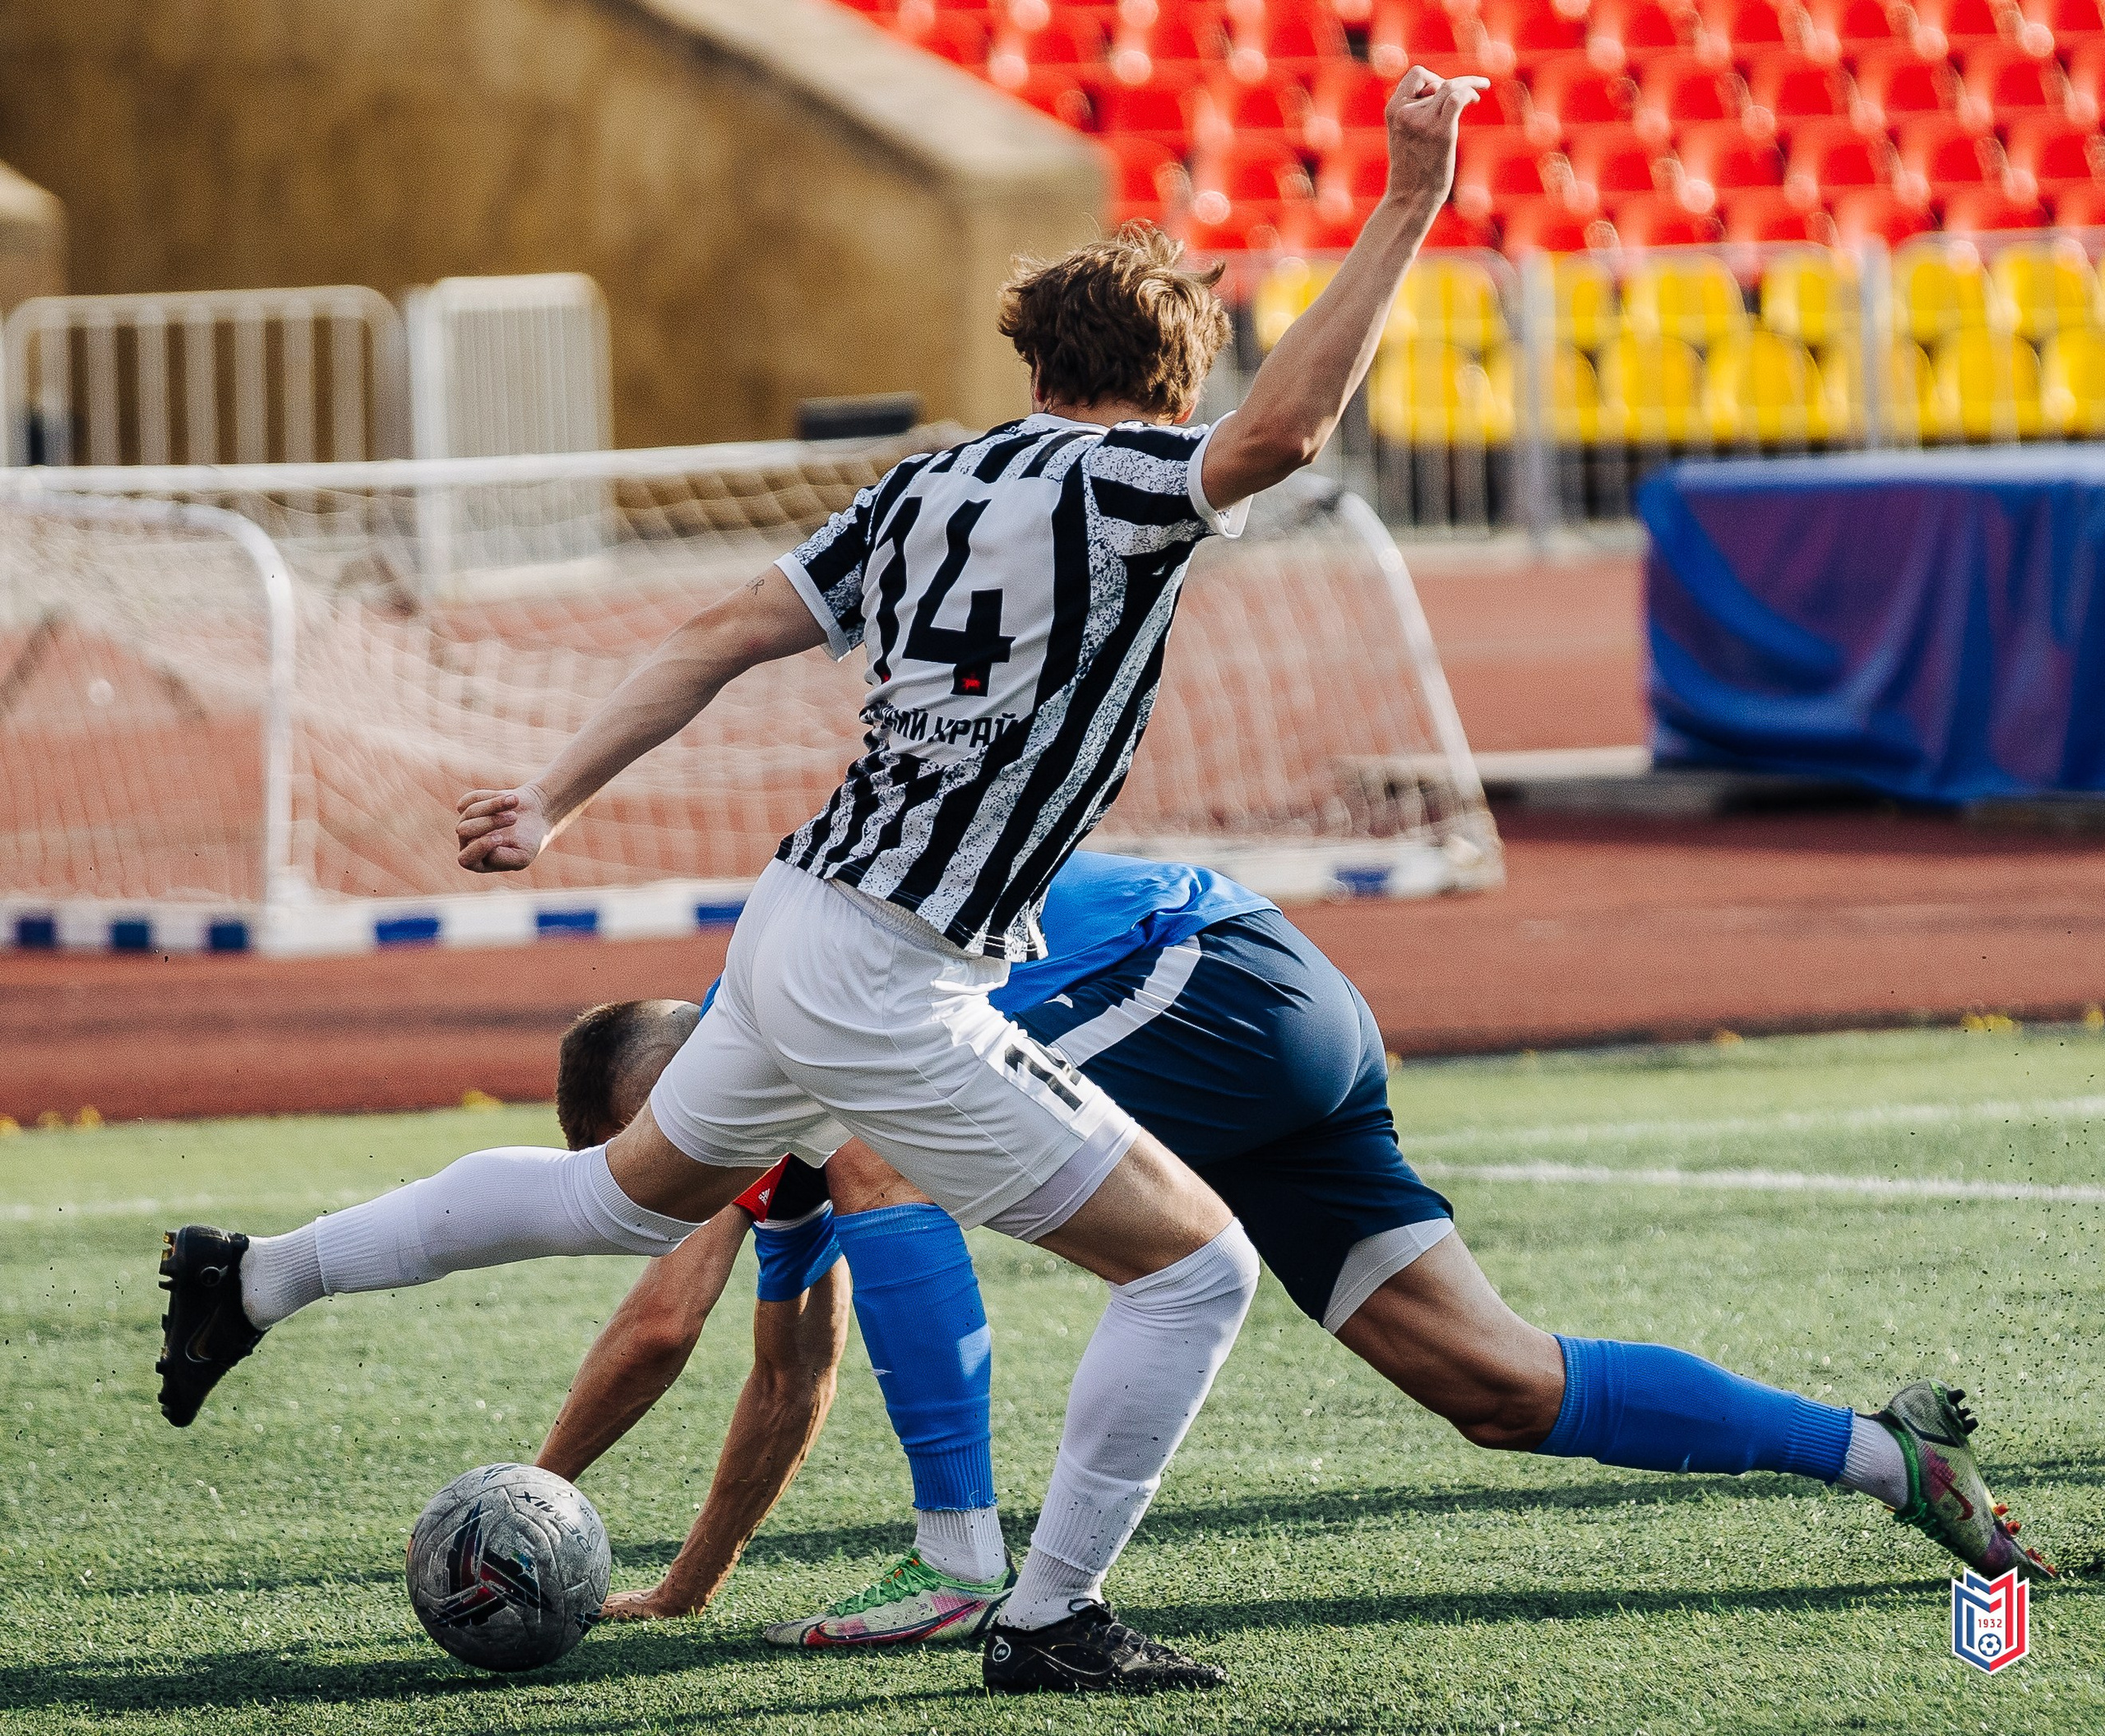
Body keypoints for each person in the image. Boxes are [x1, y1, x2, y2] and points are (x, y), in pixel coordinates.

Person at [156, 60, 1497, 1697]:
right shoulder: (1130, 486)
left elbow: (722, 635)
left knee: (605, 1201)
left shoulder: (923, 486)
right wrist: (1408, 198)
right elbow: (1285, 430)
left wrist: (557, 795)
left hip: (792, 919)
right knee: (1197, 1266)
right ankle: (1042, 1613)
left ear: (1037, 351)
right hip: (888, 970)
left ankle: (258, 1277)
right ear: (1168, 375)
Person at [532, 851, 2050, 1650]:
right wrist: (689, 1583)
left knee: (889, 1152)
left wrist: (544, 1491)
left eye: (655, 1153)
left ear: (678, 1085)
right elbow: (784, 1379)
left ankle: (960, 1568)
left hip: (1209, 975)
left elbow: (666, 1321)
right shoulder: (783, 1162)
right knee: (1497, 1386)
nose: (671, 1187)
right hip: (1275, 1040)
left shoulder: (795, 1048)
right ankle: (1885, 1455)